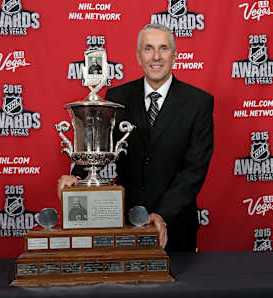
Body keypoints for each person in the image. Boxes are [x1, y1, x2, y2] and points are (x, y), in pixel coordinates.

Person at [58, 24, 214, 252]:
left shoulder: (198, 102)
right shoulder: (116, 97)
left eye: (164, 49)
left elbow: (195, 169)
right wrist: (77, 180)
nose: (156, 57)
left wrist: (163, 215)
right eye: (148, 49)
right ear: (139, 56)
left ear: (175, 55)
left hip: (175, 226)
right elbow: (100, 145)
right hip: (122, 222)